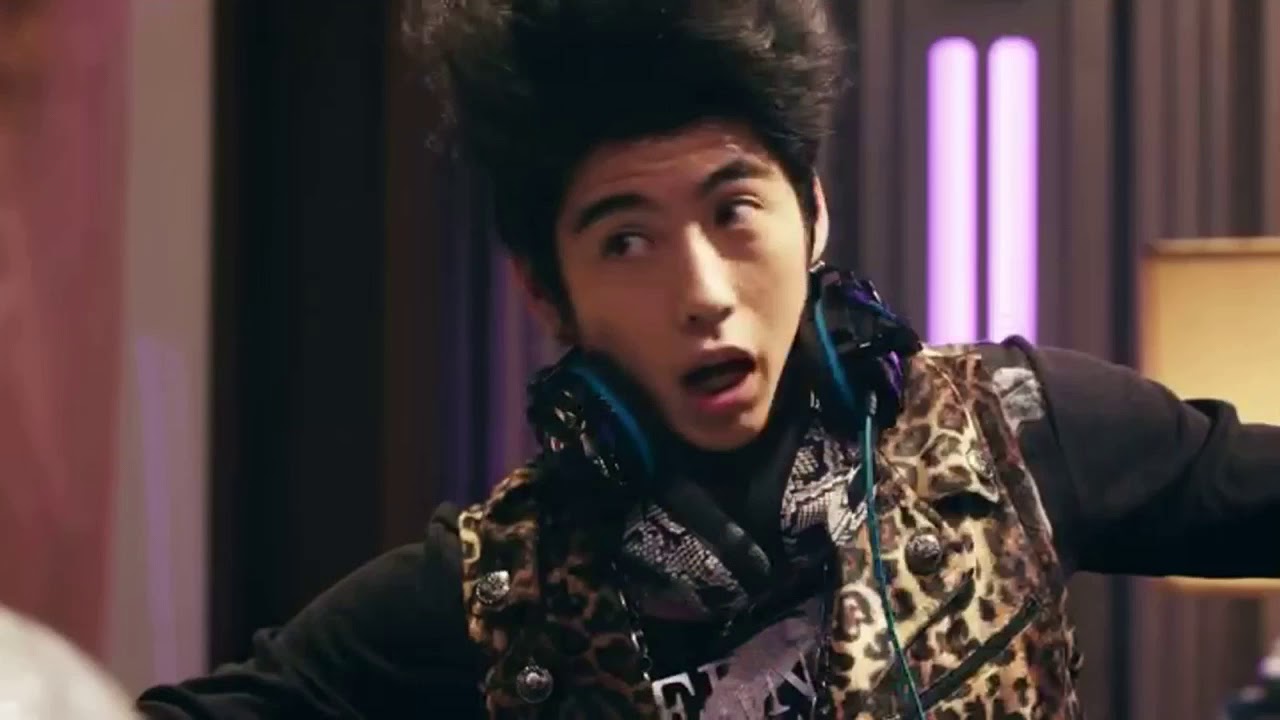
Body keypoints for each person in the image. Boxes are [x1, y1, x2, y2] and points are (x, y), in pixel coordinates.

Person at [137, 1, 1280, 718]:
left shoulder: (1013, 431)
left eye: (733, 211)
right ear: (545, 291)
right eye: (625, 240)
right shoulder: (491, 593)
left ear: (811, 212)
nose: (700, 291)